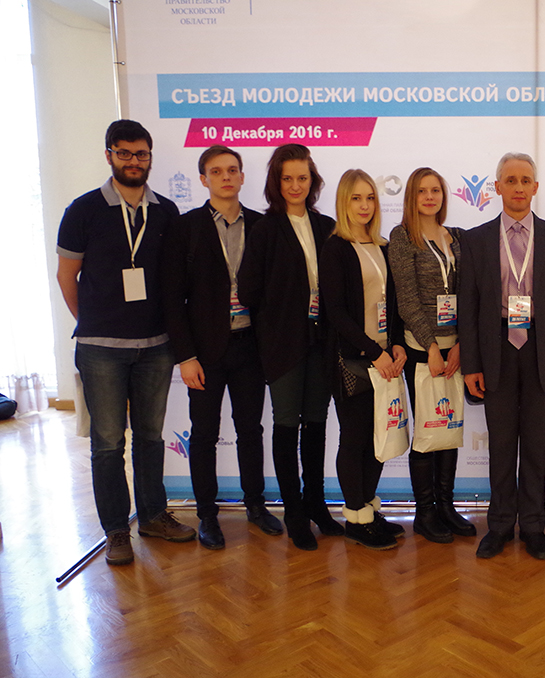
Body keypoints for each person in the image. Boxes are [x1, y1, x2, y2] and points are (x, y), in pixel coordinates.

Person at [56, 119, 195, 565]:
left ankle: (153, 516)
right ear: (109, 155)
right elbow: (66, 275)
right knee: (108, 443)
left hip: (156, 345)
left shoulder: (166, 211)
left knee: (151, 438)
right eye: (125, 153)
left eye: (141, 154)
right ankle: (116, 529)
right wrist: (92, 322)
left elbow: (175, 280)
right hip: (101, 348)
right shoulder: (83, 210)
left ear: (150, 157)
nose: (134, 161)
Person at [162, 145, 283, 550]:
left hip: (251, 347)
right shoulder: (185, 227)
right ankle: (207, 515)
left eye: (232, 170)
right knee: (203, 435)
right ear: (203, 179)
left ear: (243, 177)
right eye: (216, 171)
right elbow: (172, 298)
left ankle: (256, 506)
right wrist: (185, 356)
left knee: (251, 431)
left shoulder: (262, 225)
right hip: (205, 352)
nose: (226, 177)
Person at [459, 152, 545, 560]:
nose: (518, 187)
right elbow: (468, 307)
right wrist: (471, 365)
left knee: (535, 445)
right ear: (497, 187)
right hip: (495, 352)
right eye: (510, 180)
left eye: (525, 180)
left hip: (542, 352)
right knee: (501, 445)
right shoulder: (475, 240)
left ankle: (532, 526)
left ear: (536, 187)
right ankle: (498, 526)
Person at [237, 144, 343, 551]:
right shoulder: (265, 229)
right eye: (287, 179)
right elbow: (249, 290)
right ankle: (294, 511)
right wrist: (280, 311)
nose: (295, 185)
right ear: (276, 183)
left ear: (312, 181)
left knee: (316, 422)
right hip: (283, 345)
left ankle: (317, 503)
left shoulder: (326, 226)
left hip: (322, 342)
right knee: (286, 424)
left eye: (302, 178)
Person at [320, 169, 407, 551]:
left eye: (370, 197)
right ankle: (355, 517)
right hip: (353, 360)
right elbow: (337, 313)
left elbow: (394, 304)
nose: (364, 205)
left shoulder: (383, 246)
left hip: (385, 358)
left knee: (379, 438)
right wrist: (375, 353)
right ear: (344, 201)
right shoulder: (336, 248)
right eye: (356, 198)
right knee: (354, 439)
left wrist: (397, 345)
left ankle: (369, 509)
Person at [388, 167, 476, 544]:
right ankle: (425, 513)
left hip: (455, 348)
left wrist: (461, 344)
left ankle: (446, 507)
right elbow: (406, 299)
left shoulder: (456, 236)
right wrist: (432, 347)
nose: (429, 197)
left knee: (449, 428)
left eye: (435, 190)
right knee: (429, 427)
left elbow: (469, 293)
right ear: (412, 196)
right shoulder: (402, 236)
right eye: (422, 191)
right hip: (421, 348)